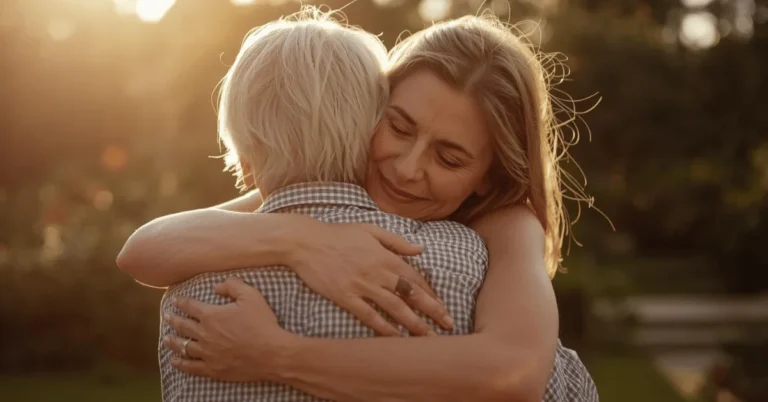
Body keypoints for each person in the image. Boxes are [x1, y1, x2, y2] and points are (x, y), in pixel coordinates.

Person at [118, 10, 598, 402]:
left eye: (449, 158)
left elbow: (514, 374)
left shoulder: (507, 223)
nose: (408, 168)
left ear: (487, 177)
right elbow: (144, 250)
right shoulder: (344, 178)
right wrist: (306, 241)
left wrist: (277, 356)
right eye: (399, 127)